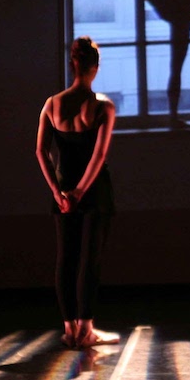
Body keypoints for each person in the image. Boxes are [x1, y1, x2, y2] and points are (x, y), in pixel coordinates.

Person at [36, 36, 119, 348]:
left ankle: (70, 328)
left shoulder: (52, 104)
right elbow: (98, 156)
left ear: (73, 64)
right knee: (89, 261)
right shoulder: (103, 107)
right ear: (94, 68)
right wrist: (81, 192)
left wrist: (59, 193)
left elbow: (41, 152)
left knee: (66, 259)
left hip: (63, 193)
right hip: (94, 193)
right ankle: (86, 329)